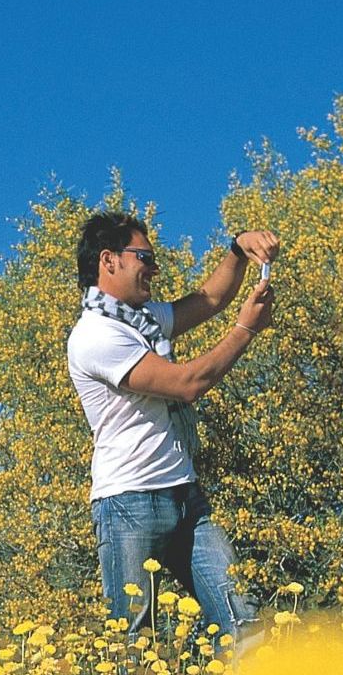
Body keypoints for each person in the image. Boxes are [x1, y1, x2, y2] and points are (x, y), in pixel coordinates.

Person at [65, 211, 277, 652]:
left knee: (244, 622)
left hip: (185, 497)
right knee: (132, 646)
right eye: (144, 257)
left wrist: (238, 247)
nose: (154, 269)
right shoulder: (96, 336)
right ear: (109, 261)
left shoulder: (139, 320)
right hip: (129, 504)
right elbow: (186, 385)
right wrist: (245, 330)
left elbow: (210, 299)